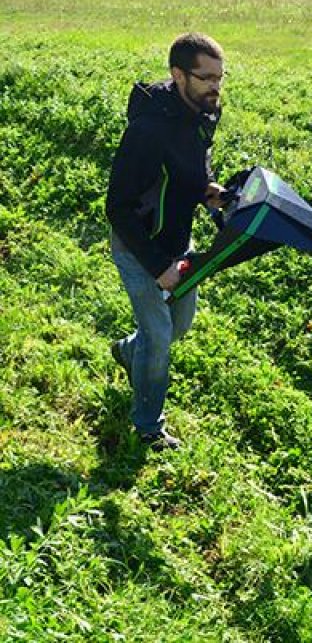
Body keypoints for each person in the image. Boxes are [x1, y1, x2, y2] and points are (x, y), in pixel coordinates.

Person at [106, 32, 227, 451]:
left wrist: (207, 190)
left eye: (220, 77)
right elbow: (118, 207)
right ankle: (148, 426)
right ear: (178, 75)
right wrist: (159, 268)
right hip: (137, 244)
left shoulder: (205, 112)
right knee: (158, 335)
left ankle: (127, 351)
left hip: (177, 239)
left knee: (179, 326)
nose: (216, 86)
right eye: (206, 77)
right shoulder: (148, 130)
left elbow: (194, 164)